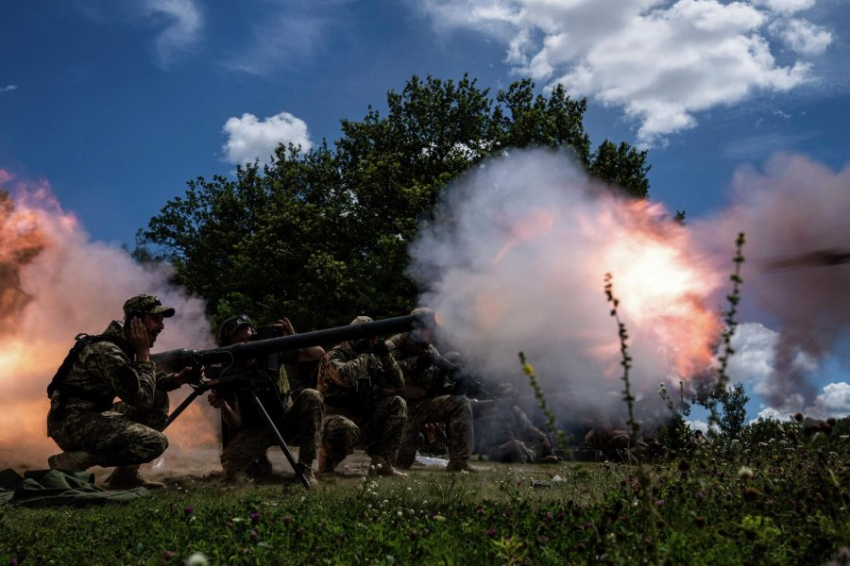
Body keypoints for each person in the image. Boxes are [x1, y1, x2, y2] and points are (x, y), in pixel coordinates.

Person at [46, 294, 193, 489]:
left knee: (158, 397)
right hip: (71, 423)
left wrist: (178, 379)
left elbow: (147, 384)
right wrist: (143, 355)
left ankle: (125, 477)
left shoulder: (122, 347)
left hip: (91, 415)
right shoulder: (108, 352)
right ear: (136, 321)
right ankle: (80, 459)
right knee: (154, 442)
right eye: (156, 319)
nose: (162, 326)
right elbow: (142, 398)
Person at [207, 315, 324, 486]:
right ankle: (260, 464)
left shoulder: (272, 354)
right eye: (241, 341)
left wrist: (293, 336)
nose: (249, 345)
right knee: (231, 469)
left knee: (311, 396)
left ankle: (306, 468)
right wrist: (223, 405)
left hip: (286, 420)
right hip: (257, 428)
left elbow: (317, 354)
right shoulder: (226, 373)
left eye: (250, 338)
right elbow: (235, 422)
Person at [316, 316, 408, 477]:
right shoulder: (335, 355)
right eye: (371, 337)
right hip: (333, 418)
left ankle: (382, 464)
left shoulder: (372, 358)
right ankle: (326, 466)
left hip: (362, 416)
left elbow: (397, 384)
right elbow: (345, 377)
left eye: (376, 337)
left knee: (397, 403)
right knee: (344, 427)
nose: (374, 340)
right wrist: (364, 355)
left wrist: (385, 355)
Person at [387, 308, 477, 472]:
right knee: (399, 463)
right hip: (396, 407)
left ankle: (459, 461)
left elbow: (437, 387)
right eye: (430, 329)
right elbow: (382, 371)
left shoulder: (430, 351)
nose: (433, 334)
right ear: (417, 328)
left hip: (422, 406)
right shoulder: (395, 345)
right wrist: (416, 363)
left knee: (460, 403)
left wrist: (457, 384)